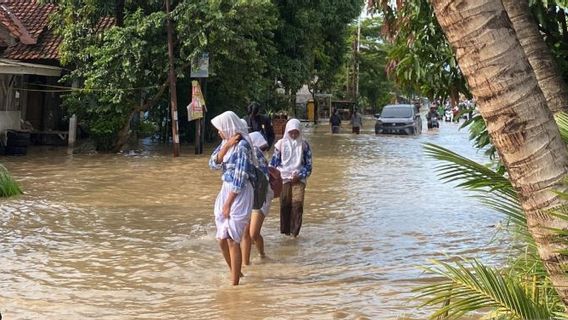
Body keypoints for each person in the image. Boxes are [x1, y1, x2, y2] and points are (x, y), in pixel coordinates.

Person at [209, 111, 256, 285]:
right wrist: (226, 146)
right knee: (221, 238)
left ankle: (234, 283)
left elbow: (240, 177)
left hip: (239, 193)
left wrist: (228, 203)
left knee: (231, 238)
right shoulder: (226, 143)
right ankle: (235, 272)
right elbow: (213, 164)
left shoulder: (243, 146)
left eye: (220, 129)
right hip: (226, 189)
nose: (218, 132)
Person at [270, 119, 312, 237]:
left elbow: (309, 166)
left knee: (297, 205)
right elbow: (273, 164)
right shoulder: (280, 145)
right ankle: (286, 233)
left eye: (296, 132)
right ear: (287, 132)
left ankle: (295, 234)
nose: (293, 135)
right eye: (291, 132)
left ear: (300, 132)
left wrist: (299, 174)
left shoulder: (304, 145)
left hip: (299, 178)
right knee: (285, 204)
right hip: (283, 178)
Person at [241, 132, 274, 265]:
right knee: (245, 232)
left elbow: (262, 180)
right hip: (247, 195)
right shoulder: (241, 152)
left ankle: (262, 254)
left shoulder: (256, 154)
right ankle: (245, 264)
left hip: (261, 195)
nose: (264, 151)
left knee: (253, 233)